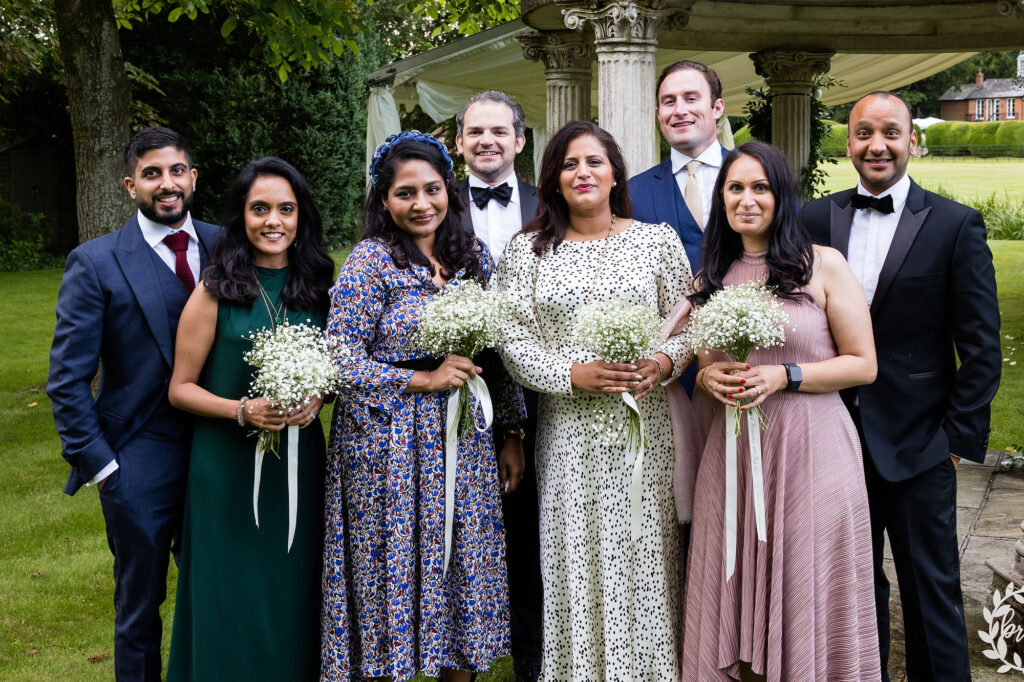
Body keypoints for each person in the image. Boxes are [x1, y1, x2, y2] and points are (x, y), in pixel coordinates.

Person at [801, 91, 1002, 681]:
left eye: (891, 132)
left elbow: (982, 347)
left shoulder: (954, 224)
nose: (877, 145)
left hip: (920, 444)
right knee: (848, 591)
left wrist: (957, 439)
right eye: (864, 133)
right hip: (829, 437)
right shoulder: (812, 220)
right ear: (848, 144)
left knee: (930, 591)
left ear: (913, 141)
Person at [492, 120, 694, 681]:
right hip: (568, 432)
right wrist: (571, 373)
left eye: (594, 162)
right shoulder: (526, 251)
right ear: (553, 180)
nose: (582, 173)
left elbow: (688, 323)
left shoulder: (656, 241)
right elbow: (512, 339)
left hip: (643, 431)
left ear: (614, 174)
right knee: (574, 560)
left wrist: (662, 363)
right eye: (569, 164)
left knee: (645, 554)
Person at [322, 131, 525, 682]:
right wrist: (423, 378)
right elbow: (339, 358)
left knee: (462, 563)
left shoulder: (474, 257)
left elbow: (496, 351)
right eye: (404, 193)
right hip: (388, 446)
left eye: (432, 189)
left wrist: (511, 430)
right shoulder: (370, 261)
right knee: (393, 568)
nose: (421, 204)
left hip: (466, 437)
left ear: (449, 191)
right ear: (384, 201)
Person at [683, 141, 880, 681]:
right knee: (734, 579)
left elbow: (863, 366)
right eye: (735, 188)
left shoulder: (823, 266)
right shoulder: (709, 279)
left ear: (781, 195)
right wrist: (708, 376)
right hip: (733, 454)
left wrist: (785, 375)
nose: (747, 200)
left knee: (804, 578)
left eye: (760, 187)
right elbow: (707, 367)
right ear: (721, 199)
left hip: (811, 448)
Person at [47, 127, 220, 681]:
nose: (166, 185)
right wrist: (103, 468)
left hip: (223, 447)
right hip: (138, 454)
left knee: (221, 593)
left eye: (176, 171)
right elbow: (68, 381)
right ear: (130, 185)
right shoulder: (95, 262)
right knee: (140, 608)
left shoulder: (229, 244)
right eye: (151, 174)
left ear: (192, 177)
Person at [164, 157, 335, 680]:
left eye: (286, 209)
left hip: (301, 465)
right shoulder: (215, 291)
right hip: (223, 469)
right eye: (260, 209)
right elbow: (180, 390)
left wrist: (317, 399)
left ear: (301, 216)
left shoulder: (322, 289)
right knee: (227, 590)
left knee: (290, 586)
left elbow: (335, 373)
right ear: (241, 217)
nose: (274, 221)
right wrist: (242, 409)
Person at [454, 89, 543, 682]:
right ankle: (462, 657)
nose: (487, 140)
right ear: (459, 143)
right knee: (460, 537)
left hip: (543, 392)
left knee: (535, 532)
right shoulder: (431, 204)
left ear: (519, 140)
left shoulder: (550, 204)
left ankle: (536, 659)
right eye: (475, 132)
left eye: (498, 131)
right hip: (454, 390)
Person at [629, 60, 729, 272]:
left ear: (717, 108)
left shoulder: (762, 178)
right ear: (658, 114)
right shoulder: (633, 192)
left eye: (691, 99)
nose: (679, 110)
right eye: (669, 102)